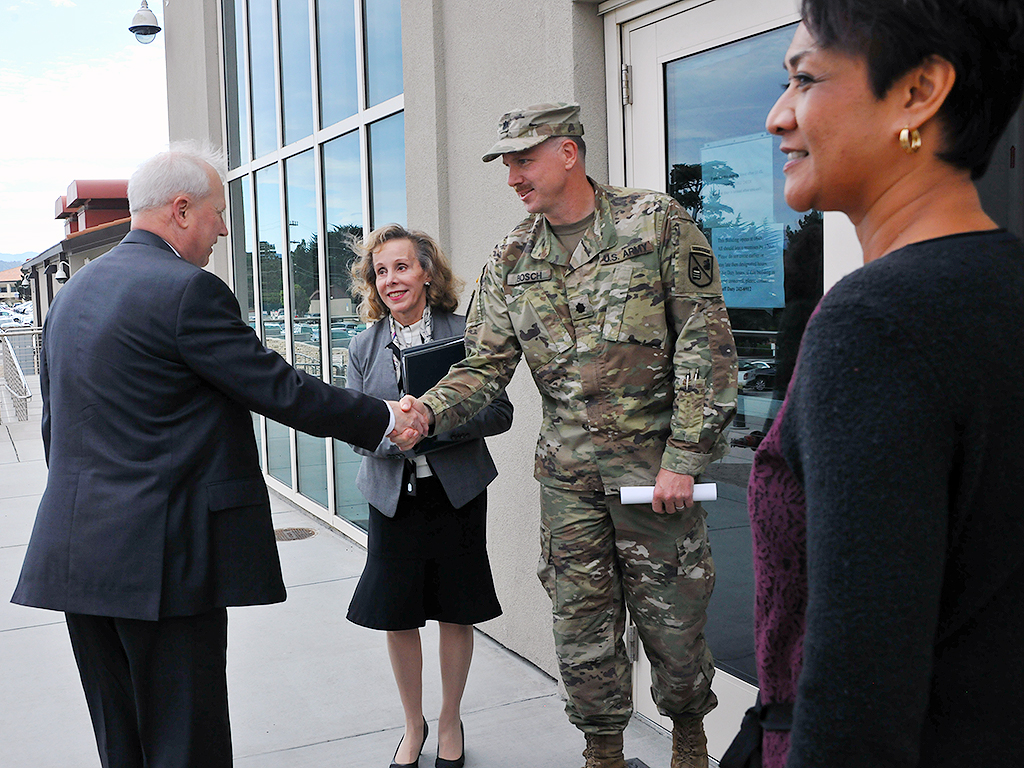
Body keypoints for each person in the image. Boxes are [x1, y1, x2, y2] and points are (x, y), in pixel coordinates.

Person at [10, 144, 427, 768]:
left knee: (122, 741)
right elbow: (278, 387)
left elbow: (54, 425)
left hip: (78, 555)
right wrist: (385, 419)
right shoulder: (187, 292)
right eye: (218, 212)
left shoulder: (76, 292)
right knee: (185, 743)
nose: (225, 228)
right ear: (182, 210)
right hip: (162, 562)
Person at [397, 103, 738, 768]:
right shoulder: (512, 255)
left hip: (655, 476)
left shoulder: (655, 223)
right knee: (582, 633)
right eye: (506, 163)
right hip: (570, 485)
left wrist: (686, 458)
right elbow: (484, 366)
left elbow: (706, 342)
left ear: (568, 153)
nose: (512, 177)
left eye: (524, 160)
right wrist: (428, 413)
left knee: (674, 625)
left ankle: (690, 742)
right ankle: (602, 752)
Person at [742, 2, 1024, 767]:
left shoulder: (875, 323)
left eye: (804, 79)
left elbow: (858, 697)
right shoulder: (998, 286)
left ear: (919, 91)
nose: (777, 118)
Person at [344, 224, 513, 768]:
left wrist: (433, 425)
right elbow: (354, 428)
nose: (391, 279)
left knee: (454, 611)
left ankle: (448, 720)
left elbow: (499, 412)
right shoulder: (362, 346)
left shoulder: (466, 335)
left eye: (402, 266)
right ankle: (413, 725)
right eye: (382, 270)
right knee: (397, 615)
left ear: (427, 272)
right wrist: (397, 435)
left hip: (455, 496)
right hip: (393, 500)